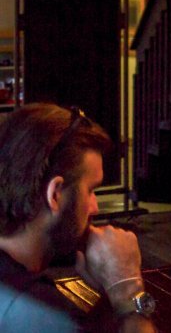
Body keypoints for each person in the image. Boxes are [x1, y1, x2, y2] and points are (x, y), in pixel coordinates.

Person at [0, 104, 155, 332]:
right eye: (91, 190)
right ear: (55, 194)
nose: (95, 207)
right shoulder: (41, 316)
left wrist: (98, 290)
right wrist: (128, 291)